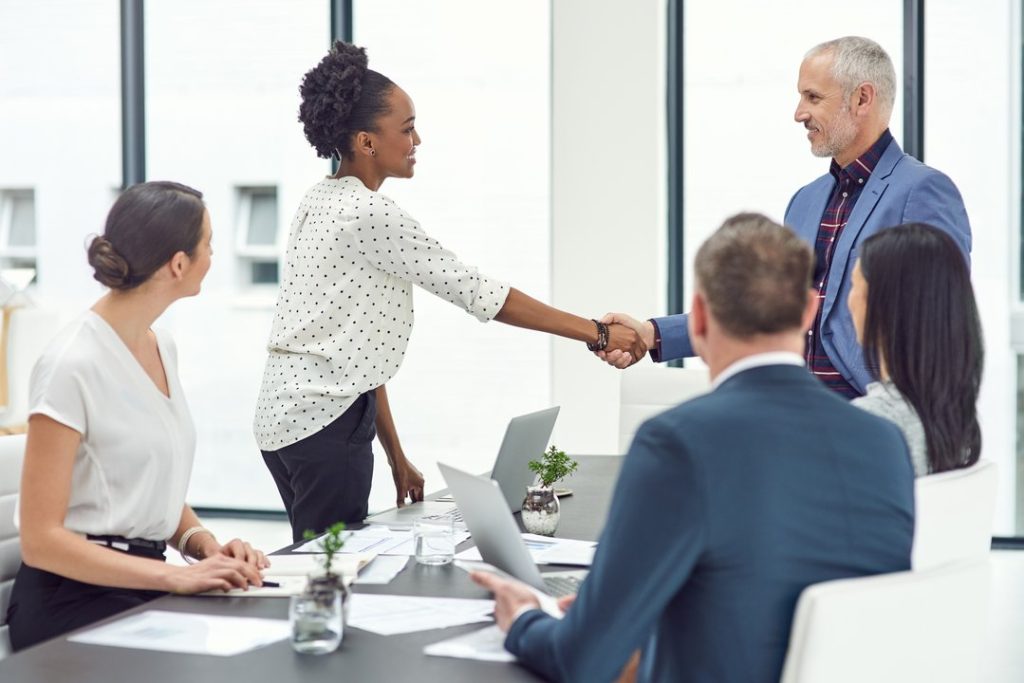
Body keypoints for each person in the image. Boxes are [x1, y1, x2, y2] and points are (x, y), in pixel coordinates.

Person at [472, 214, 914, 682]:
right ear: (809, 311)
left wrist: (523, 618)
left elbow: (580, 660)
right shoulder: (884, 441)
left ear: (699, 316)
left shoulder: (676, 442)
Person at [255, 41, 645, 542]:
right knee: (328, 569)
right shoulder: (370, 214)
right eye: (407, 128)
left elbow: (356, 351)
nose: (417, 139)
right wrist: (596, 332)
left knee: (318, 557)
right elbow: (479, 292)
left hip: (285, 419)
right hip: (326, 423)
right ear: (367, 142)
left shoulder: (319, 200)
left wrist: (395, 455)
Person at [601, 36, 971, 399]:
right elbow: (761, 307)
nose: (799, 114)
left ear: (862, 99)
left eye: (813, 97)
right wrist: (652, 334)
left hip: (875, 420)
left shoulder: (923, 190)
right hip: (795, 411)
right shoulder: (805, 201)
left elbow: (943, 321)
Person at [7, 182, 269, 652]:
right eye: (209, 244)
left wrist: (205, 546)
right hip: (72, 598)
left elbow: (144, 487)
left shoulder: (161, 346)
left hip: (143, 582)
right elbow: (40, 541)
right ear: (179, 264)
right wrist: (175, 577)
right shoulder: (71, 363)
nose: (213, 255)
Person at [847, 223, 983, 476]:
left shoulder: (867, 422)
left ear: (884, 304)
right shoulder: (959, 425)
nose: (849, 300)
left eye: (854, 285)